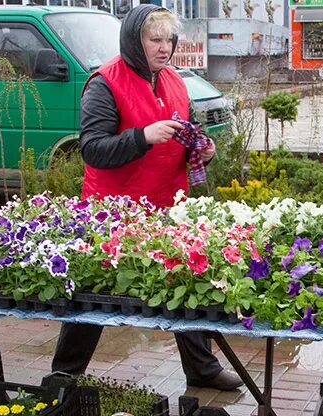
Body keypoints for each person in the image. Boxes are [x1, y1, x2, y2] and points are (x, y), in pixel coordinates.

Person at [51, 5, 243, 391]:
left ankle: (202, 369)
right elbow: (92, 149)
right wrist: (143, 137)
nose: (165, 48)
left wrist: (201, 151)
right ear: (134, 41)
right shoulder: (104, 82)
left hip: (168, 206)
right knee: (95, 293)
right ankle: (64, 374)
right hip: (114, 211)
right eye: (155, 39)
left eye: (169, 40)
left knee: (183, 282)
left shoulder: (174, 80)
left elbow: (186, 133)